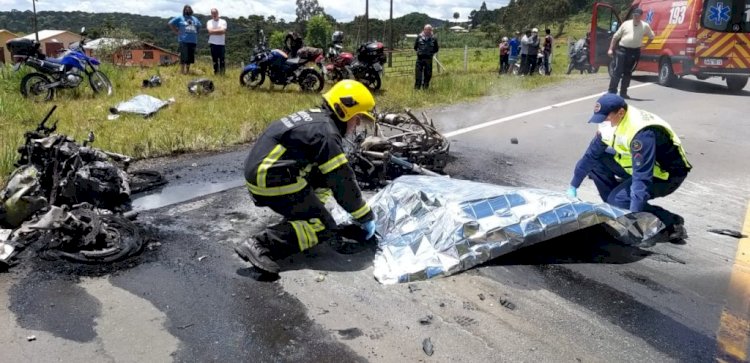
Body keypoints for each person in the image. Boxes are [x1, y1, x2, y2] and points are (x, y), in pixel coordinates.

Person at [235, 80, 378, 275]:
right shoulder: (327, 134)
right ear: (344, 111)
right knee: (323, 227)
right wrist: (364, 215)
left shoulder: (318, 120)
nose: (358, 124)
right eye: (357, 118)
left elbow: (330, 176)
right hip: (271, 178)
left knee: (324, 175)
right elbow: (342, 181)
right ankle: (261, 243)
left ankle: (306, 213)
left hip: (268, 172)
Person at [567, 93, 691, 242]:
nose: (604, 122)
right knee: (597, 163)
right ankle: (617, 209)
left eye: (606, 117)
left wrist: (633, 218)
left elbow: (642, 178)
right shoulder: (611, 121)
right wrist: (573, 186)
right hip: (636, 167)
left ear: (620, 112)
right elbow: (589, 157)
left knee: (619, 200)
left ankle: (672, 222)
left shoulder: (642, 133)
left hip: (665, 175)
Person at [607, 8, 655, 98]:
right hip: (622, 50)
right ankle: (612, 91)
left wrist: (646, 45)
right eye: (634, 15)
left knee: (628, 72)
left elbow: (652, 36)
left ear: (641, 16)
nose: (636, 17)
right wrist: (610, 49)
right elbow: (615, 37)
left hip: (634, 51)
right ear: (633, 15)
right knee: (618, 70)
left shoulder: (645, 26)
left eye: (638, 16)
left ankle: (623, 93)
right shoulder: (626, 24)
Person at [169, 5, 202, 75]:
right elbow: (170, 23)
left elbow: (199, 26)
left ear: (191, 10)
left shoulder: (194, 19)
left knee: (190, 57)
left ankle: (187, 71)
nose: (187, 10)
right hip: (183, 40)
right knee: (184, 56)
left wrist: (196, 32)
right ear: (184, 10)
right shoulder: (180, 17)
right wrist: (176, 31)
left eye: (189, 9)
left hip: (193, 41)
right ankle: (182, 71)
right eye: (186, 9)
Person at [414, 24, 439, 90]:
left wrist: (430, 53)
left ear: (431, 30)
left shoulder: (434, 38)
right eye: (426, 30)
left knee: (428, 74)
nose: (427, 31)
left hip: (428, 59)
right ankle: (417, 89)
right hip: (420, 59)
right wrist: (419, 52)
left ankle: (425, 88)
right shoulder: (419, 37)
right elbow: (415, 47)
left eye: (429, 30)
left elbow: (436, 49)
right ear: (424, 30)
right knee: (418, 74)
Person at [207, 8, 227, 75]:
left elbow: (223, 31)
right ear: (211, 14)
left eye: (215, 13)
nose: (214, 14)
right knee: (214, 60)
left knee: (222, 60)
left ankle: (222, 74)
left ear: (218, 13)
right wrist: (218, 30)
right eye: (212, 13)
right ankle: (216, 73)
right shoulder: (209, 22)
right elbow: (209, 31)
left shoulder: (223, 21)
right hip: (212, 43)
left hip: (221, 43)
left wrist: (213, 31)